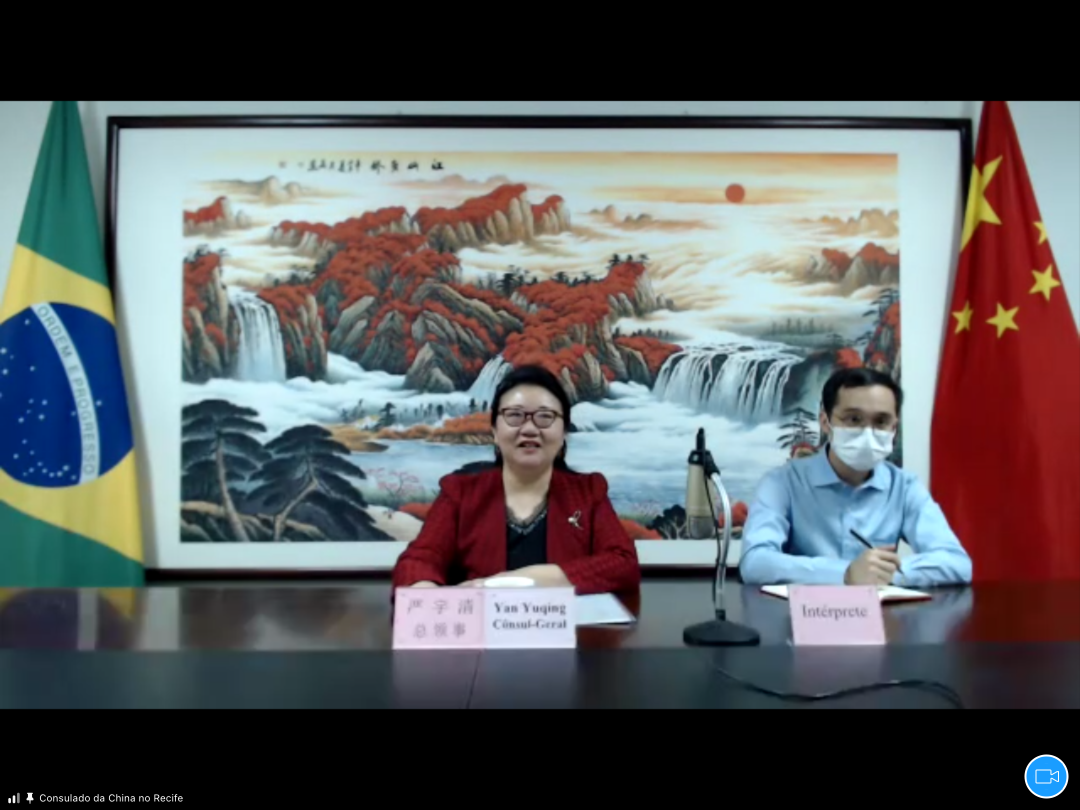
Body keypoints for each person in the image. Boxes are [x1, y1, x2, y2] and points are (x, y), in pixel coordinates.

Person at [391, 364, 641, 595]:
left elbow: (623, 564)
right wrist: (425, 594)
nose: (529, 429)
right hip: (483, 628)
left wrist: (526, 579)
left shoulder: (588, 493)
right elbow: (418, 560)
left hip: (568, 629)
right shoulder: (460, 493)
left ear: (564, 431)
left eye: (545, 416)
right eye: (514, 415)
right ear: (495, 431)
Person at [739, 368, 972, 588]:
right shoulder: (782, 483)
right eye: (853, 419)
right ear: (825, 422)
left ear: (894, 428)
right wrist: (846, 573)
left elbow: (957, 563)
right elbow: (755, 562)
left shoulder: (904, 487)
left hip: (881, 614)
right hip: (802, 613)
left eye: (881, 422)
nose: (867, 432)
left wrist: (883, 573)